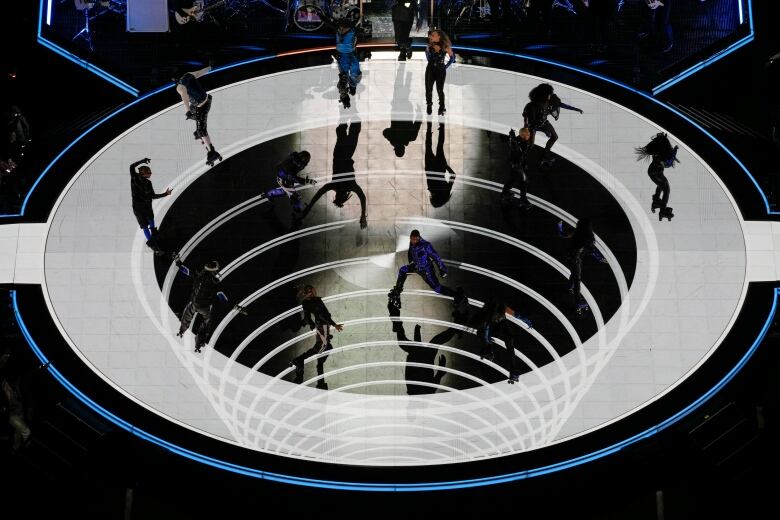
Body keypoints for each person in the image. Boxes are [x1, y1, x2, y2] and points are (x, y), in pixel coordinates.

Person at [302, 120, 367, 228]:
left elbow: (362, 197)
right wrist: (309, 207)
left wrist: (363, 215)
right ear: (338, 195)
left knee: (353, 130)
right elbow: (320, 193)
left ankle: (349, 111)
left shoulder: (348, 186)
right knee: (343, 131)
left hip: (346, 153)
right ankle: (345, 111)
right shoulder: (336, 186)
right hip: (338, 153)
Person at [176, 260, 242, 352]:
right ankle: (199, 342)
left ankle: (181, 331)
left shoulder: (198, 275)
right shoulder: (214, 282)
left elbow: (185, 270)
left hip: (193, 303)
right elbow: (221, 296)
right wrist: (232, 305)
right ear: (213, 271)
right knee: (207, 321)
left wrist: (178, 262)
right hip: (205, 307)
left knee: (187, 315)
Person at [388, 229, 463, 309]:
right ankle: (397, 292)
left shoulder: (426, 245)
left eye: (415, 239)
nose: (413, 241)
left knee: (437, 288)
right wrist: (411, 263)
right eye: (412, 239)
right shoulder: (412, 243)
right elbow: (410, 252)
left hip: (426, 271)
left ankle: (457, 295)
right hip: (416, 267)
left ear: (419, 238)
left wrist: (442, 269)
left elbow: (436, 257)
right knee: (403, 270)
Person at [289, 285, 344, 388]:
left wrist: (311, 323)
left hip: (322, 327)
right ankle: (298, 360)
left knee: (325, 349)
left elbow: (307, 316)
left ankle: (319, 381)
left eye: (312, 290)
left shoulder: (307, 302)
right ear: (307, 293)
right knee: (321, 348)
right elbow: (321, 315)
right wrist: (334, 324)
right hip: (323, 327)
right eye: (309, 291)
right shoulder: (314, 301)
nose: (313, 292)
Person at [523, 83, 583, 168]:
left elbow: (563, 105)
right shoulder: (531, 106)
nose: (550, 95)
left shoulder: (551, 101)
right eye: (549, 94)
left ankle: (544, 157)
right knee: (530, 145)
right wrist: (526, 126)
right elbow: (526, 117)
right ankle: (522, 159)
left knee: (555, 137)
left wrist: (577, 109)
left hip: (544, 123)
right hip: (534, 126)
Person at [173, 63, 222, 167]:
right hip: (205, 101)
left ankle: (212, 152)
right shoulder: (188, 74)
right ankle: (200, 135)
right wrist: (210, 67)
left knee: (201, 130)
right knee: (198, 126)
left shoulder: (179, 86)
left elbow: (184, 95)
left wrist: (187, 111)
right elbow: (200, 72)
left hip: (202, 106)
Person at [472, 301, 532, 383]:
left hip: (499, 326)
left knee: (509, 342)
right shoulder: (489, 313)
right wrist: (487, 339)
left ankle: (512, 371)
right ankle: (487, 351)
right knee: (487, 332)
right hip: (491, 327)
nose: (497, 316)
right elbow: (485, 326)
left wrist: (524, 319)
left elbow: (515, 314)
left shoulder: (501, 308)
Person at [557, 218, 608, 315]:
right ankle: (578, 302)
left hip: (570, 257)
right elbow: (592, 250)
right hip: (576, 260)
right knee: (577, 280)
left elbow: (562, 234)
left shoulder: (576, 233)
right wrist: (600, 258)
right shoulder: (587, 237)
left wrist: (559, 225)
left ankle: (569, 287)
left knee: (575, 274)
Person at [128, 158, 174, 255]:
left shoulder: (134, 177)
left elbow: (131, 166)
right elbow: (153, 196)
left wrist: (142, 161)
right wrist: (166, 194)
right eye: (149, 172)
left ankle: (153, 241)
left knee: (145, 224)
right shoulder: (147, 183)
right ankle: (154, 240)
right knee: (148, 222)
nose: (151, 173)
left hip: (139, 206)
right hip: (144, 206)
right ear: (143, 173)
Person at [321, 14, 363, 109]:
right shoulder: (342, 29)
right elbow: (327, 21)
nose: (342, 29)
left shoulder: (352, 30)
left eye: (343, 28)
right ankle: (345, 97)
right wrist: (319, 15)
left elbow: (327, 21)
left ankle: (352, 86)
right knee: (344, 78)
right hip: (343, 56)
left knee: (355, 74)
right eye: (341, 28)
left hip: (350, 56)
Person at [635, 132, 679, 221]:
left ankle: (656, 202)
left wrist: (674, 151)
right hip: (656, 172)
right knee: (666, 190)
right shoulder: (663, 149)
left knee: (661, 186)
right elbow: (668, 163)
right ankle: (662, 210)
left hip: (654, 171)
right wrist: (675, 150)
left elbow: (667, 161)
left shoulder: (658, 148)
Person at [261, 151, 315, 215]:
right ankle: (297, 209)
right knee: (293, 196)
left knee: (286, 192)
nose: (306, 164)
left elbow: (287, 168)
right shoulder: (294, 165)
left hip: (285, 177)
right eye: (306, 161)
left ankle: (270, 194)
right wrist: (308, 181)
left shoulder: (295, 160)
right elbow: (294, 177)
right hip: (285, 179)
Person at [425, 29, 455, 116]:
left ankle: (442, 107)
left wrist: (445, 67)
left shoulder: (445, 46)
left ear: (439, 36)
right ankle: (429, 105)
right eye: (431, 35)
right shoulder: (429, 45)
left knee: (439, 90)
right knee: (428, 88)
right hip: (430, 69)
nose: (431, 36)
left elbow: (452, 58)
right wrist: (431, 60)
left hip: (440, 70)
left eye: (433, 35)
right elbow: (427, 56)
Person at [501, 127, 532, 210]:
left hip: (517, 164)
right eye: (527, 134)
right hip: (515, 165)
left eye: (529, 134)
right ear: (522, 135)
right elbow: (515, 147)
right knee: (525, 181)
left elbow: (523, 155)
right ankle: (522, 199)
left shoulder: (523, 141)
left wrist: (524, 163)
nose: (529, 135)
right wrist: (512, 137)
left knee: (512, 179)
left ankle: (505, 193)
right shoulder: (516, 143)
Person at [425, 122, 455, 208]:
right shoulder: (433, 190)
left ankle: (442, 125)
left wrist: (445, 166)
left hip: (440, 167)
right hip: (430, 167)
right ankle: (429, 126)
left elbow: (453, 175)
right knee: (428, 146)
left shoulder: (446, 191)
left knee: (440, 145)